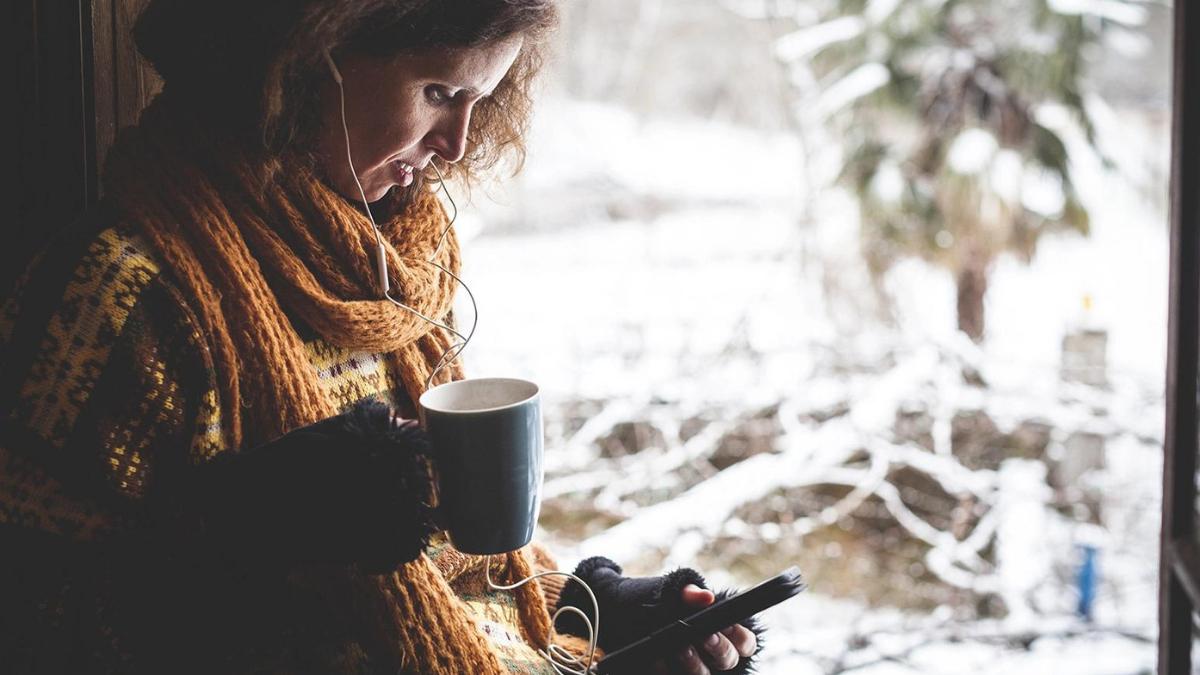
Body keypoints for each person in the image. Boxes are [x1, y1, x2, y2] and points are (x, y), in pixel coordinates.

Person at [0, 1, 763, 673]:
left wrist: (602, 611)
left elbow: (445, 574)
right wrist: (243, 535)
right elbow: (34, 622)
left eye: (481, 99)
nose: (459, 143)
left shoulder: (385, 266)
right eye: (439, 91)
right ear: (304, 56)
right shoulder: (121, 290)